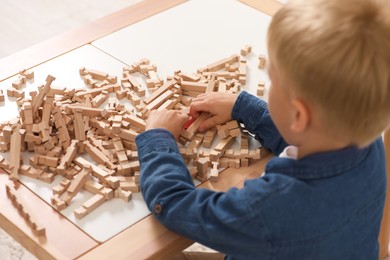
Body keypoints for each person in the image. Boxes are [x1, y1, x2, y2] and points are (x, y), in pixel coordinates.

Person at [135, 0, 390, 259]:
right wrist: (243, 107)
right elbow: (305, 133)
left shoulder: (267, 210)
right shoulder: (369, 146)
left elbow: (176, 207)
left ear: (299, 114)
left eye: (273, 80)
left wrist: (158, 139)